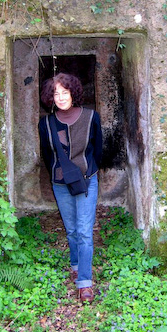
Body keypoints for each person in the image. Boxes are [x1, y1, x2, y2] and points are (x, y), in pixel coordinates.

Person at [38, 73, 102, 304]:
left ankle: (84, 282)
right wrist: (59, 173)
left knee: (84, 231)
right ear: (50, 97)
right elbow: (47, 154)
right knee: (72, 229)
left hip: (86, 180)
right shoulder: (46, 123)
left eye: (65, 92)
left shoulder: (91, 117)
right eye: (56, 93)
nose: (61, 97)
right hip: (60, 182)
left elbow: (98, 149)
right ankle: (75, 264)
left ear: (73, 93)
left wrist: (87, 170)